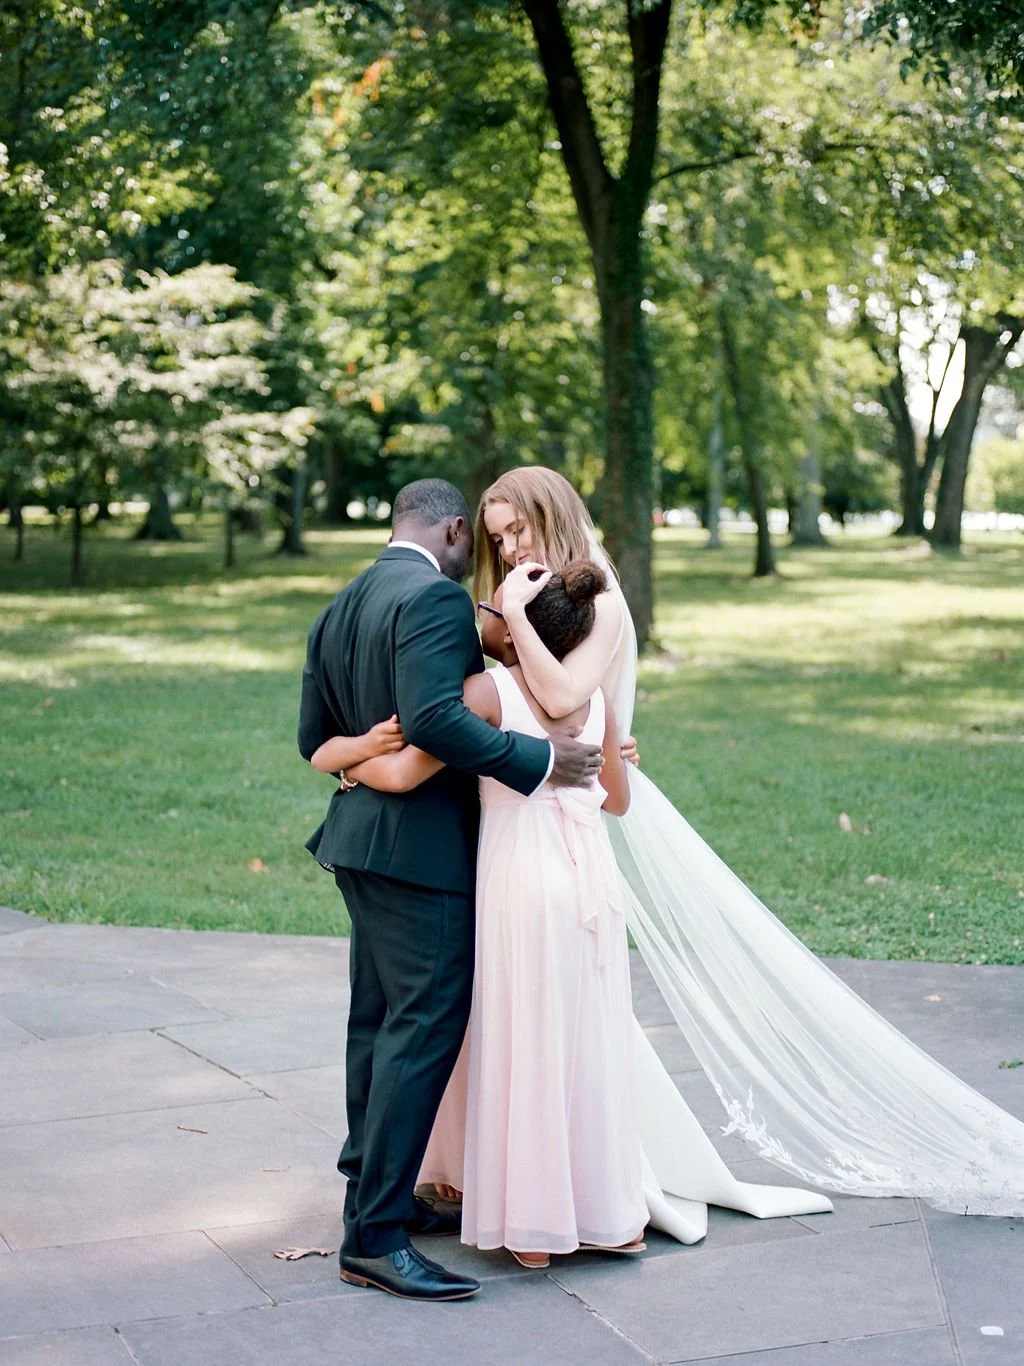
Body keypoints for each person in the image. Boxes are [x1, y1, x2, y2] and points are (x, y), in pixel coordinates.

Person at [297, 477, 604, 1301]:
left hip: (359, 840)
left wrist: (351, 758)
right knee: (422, 1027)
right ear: (458, 530)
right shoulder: (433, 599)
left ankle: (373, 1189)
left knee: (378, 1022)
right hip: (420, 853)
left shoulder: (342, 603)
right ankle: (373, 1238)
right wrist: (541, 762)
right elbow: (435, 718)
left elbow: (310, 738)